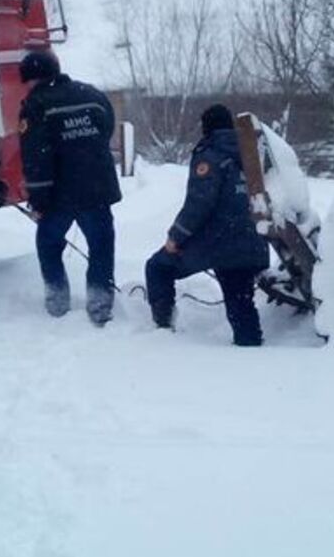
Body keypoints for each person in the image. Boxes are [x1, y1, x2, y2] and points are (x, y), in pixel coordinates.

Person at [145, 104, 268, 346]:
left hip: (219, 242)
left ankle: (162, 330)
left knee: (158, 267)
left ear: (206, 128)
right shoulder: (252, 152)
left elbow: (199, 205)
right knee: (240, 299)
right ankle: (252, 349)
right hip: (254, 241)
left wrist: (175, 238)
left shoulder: (210, 154)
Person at [18, 49, 121, 325]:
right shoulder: (93, 95)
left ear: (32, 79)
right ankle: (100, 303)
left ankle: (57, 301)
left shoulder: (35, 104)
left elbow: (36, 157)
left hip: (59, 195)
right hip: (97, 188)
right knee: (101, 244)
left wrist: (38, 201)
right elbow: (106, 130)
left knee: (49, 244)